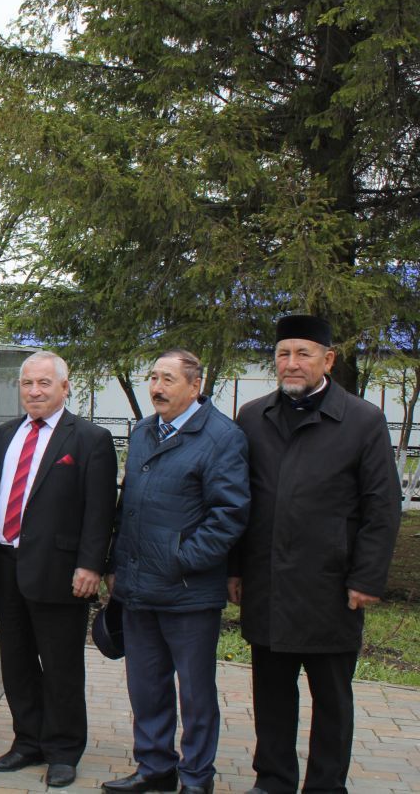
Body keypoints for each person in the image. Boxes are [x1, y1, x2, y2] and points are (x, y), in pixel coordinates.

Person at [231, 315, 401, 794]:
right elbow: (238, 499)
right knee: (270, 694)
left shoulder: (362, 420)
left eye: (303, 354)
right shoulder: (253, 416)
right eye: (283, 354)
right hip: (267, 582)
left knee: (331, 697)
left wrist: (366, 579)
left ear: (327, 360)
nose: (291, 363)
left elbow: (382, 507)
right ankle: (274, 780)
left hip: (331, 585)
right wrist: (235, 568)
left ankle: (326, 785)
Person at [104, 349, 250, 794]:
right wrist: (115, 563)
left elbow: (230, 513)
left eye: (168, 378)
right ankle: (155, 768)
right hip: (138, 587)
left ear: (195, 385)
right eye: (152, 377)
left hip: (188, 592)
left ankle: (196, 777)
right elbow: (128, 506)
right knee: (146, 687)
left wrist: (180, 559)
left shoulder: (223, 437)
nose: (157, 387)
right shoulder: (146, 431)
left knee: (195, 693)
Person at [0, 351, 117, 787]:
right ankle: (28, 741)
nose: (34, 391)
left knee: (61, 665)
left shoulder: (89, 439)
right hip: (6, 565)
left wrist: (91, 565)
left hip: (61, 571)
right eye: (27, 384)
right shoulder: (3, 435)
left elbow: (100, 510)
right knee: (16, 662)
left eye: (44, 383)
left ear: (64, 385)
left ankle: (63, 749)